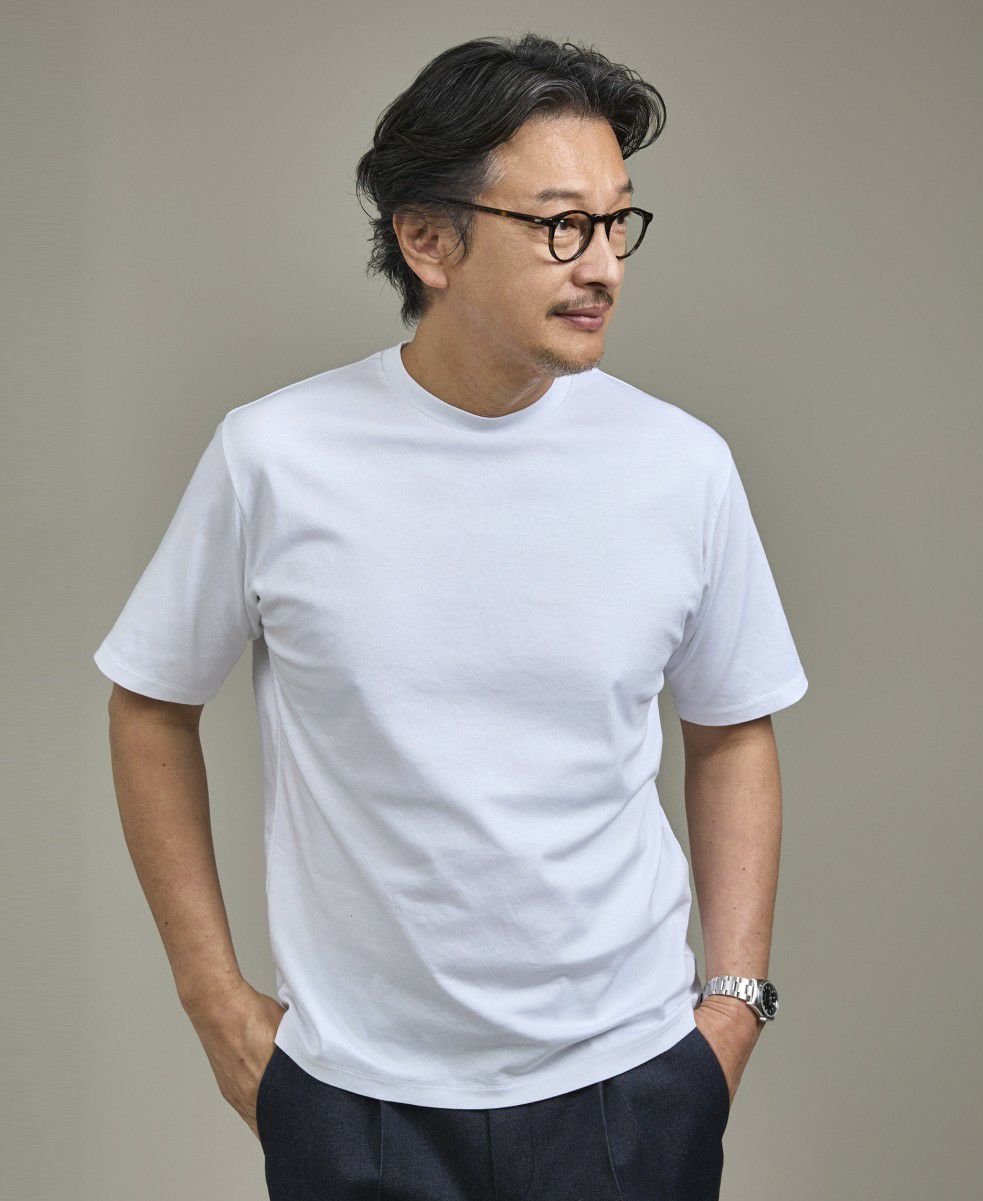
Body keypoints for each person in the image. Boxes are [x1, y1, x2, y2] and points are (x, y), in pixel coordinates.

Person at [94, 32, 808, 1201]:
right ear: (427, 240)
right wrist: (214, 999)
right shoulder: (274, 457)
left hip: (630, 1089)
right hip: (355, 1101)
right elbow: (149, 703)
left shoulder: (681, 465)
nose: (604, 267)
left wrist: (729, 1009)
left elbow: (732, 729)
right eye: (560, 226)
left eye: (617, 221)